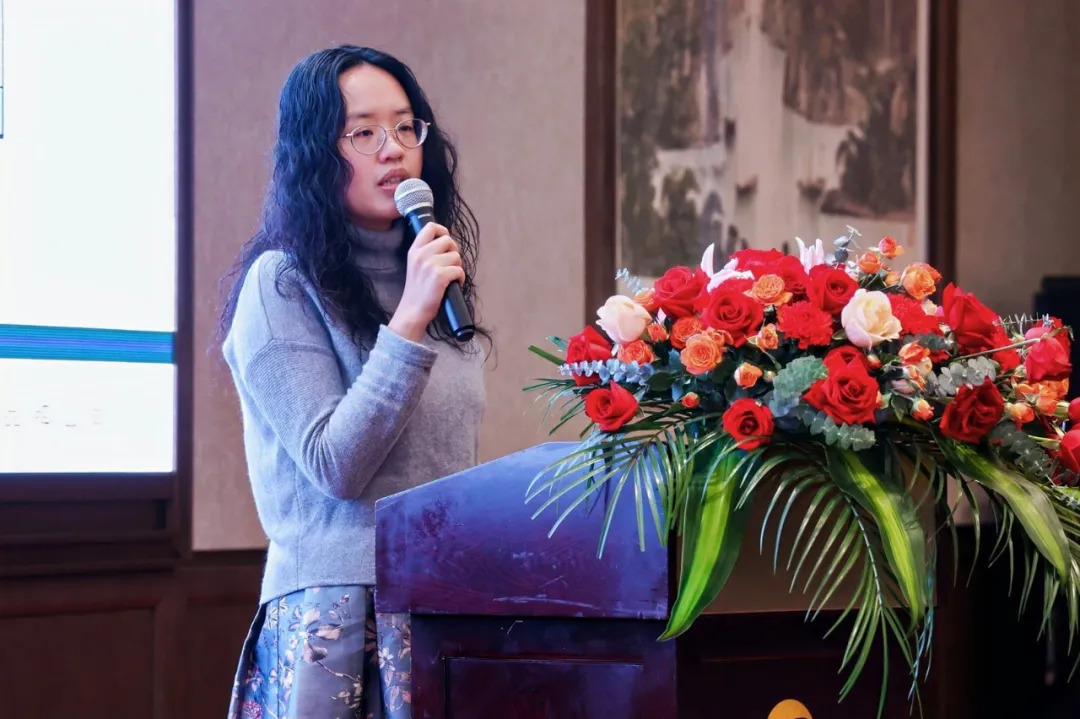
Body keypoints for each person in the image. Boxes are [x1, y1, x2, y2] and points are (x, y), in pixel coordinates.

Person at [217, 45, 489, 718]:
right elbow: (334, 464)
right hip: (337, 617)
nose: (392, 148)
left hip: (447, 606)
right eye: (363, 132)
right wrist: (409, 321)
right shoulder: (280, 284)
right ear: (316, 153)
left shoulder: (429, 276)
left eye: (405, 126)